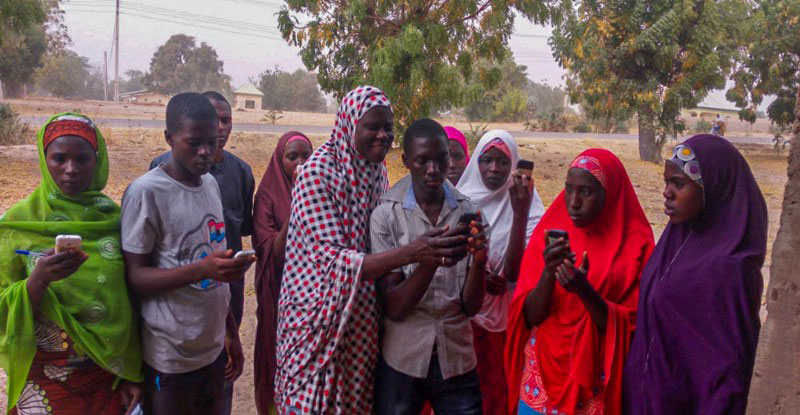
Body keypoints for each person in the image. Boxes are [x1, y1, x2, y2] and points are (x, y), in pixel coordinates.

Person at [274, 86, 469, 414]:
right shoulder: (316, 174)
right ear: (350, 125)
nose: (383, 135)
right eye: (373, 126)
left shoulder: (375, 170)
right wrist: (413, 253)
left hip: (362, 316)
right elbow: (333, 260)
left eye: (388, 128)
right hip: (317, 321)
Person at [0, 113, 143, 414]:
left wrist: (132, 373)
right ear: (44, 159)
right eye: (59, 159)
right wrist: (37, 280)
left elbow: (133, 301)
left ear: (98, 160)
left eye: (82, 159)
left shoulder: (116, 222)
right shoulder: (18, 224)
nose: (70, 170)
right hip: (43, 381)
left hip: (106, 376)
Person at [121, 93, 254, 415]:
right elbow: (135, 277)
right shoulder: (146, 193)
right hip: (171, 357)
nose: (205, 152)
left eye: (212, 141)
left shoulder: (209, 184)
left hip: (212, 349)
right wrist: (203, 270)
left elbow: (214, 261)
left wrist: (231, 333)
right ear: (169, 137)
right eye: (194, 142)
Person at [623, 135, 768, 414]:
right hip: (646, 399)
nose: (667, 192)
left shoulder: (731, 269)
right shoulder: (674, 241)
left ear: (713, 188)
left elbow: (729, 372)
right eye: (666, 182)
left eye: (678, 183)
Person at [505, 149, 655, 415]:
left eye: (585, 192)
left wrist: (584, 290)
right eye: (568, 189)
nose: (573, 202)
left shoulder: (636, 245)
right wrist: (549, 273)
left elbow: (632, 328)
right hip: (542, 371)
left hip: (595, 379)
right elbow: (530, 316)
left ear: (609, 194)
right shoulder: (550, 230)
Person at [371, 119, 488, 415]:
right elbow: (395, 308)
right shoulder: (386, 215)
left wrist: (480, 261)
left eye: (441, 159)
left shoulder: (469, 212)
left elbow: (471, 307)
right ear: (406, 161)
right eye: (422, 160)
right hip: (403, 358)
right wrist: (427, 258)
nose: (434, 170)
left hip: (457, 358)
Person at [456, 130, 545, 415]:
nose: (493, 169)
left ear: (513, 165)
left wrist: (520, 212)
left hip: (509, 318)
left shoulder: (527, 203)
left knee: (500, 391)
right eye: (486, 160)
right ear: (476, 163)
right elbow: (448, 258)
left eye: (503, 162)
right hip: (463, 316)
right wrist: (478, 275)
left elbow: (517, 271)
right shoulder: (459, 200)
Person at [252, 131, 313, 414]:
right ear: (280, 160)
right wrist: (298, 204)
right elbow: (271, 251)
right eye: (293, 157)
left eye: (306, 156)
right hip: (278, 294)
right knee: (276, 357)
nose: (300, 163)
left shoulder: (321, 191)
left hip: (311, 298)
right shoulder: (267, 195)